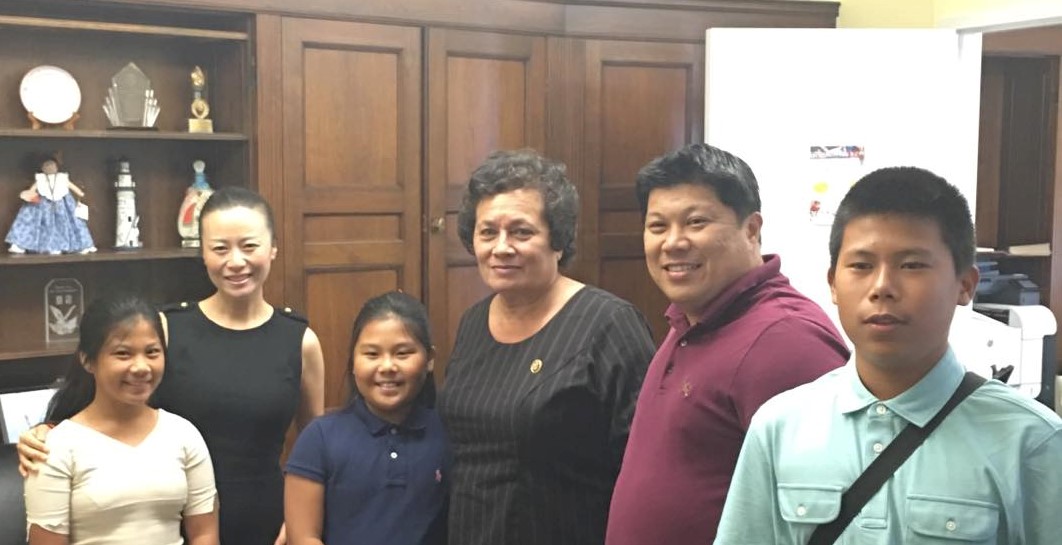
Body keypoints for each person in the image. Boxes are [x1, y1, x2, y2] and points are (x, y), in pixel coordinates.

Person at [714, 167, 1062, 544]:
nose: (882, 287)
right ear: (833, 284)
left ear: (965, 285)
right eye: (861, 266)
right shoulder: (779, 427)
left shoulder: (1032, 441)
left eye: (911, 265)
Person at [19, 186, 325, 545]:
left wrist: (298, 517)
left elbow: (316, 450)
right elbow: (97, 403)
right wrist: (45, 432)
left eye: (249, 246)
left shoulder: (300, 340)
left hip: (269, 524)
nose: (236, 261)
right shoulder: (165, 329)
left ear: (272, 248)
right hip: (167, 519)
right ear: (203, 254)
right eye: (220, 248)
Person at [606, 143, 850, 545]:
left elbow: (830, 516)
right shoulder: (691, 319)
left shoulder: (786, 339)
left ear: (751, 229)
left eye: (695, 222)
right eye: (657, 226)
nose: (673, 242)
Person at [436, 149, 656, 545]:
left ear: (558, 238)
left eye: (521, 232)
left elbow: (645, 466)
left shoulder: (608, 324)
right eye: (488, 232)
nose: (501, 247)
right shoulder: (472, 322)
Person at [23, 295, 218, 545]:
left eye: (152, 352)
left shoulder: (183, 434)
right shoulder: (56, 447)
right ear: (87, 360)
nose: (141, 367)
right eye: (123, 354)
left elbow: (204, 534)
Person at [285, 291, 448, 545]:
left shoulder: (450, 433)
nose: (387, 366)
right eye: (372, 354)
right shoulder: (320, 438)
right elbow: (304, 537)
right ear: (353, 361)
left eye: (402, 353)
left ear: (429, 360)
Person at [6, 154, 96, 255]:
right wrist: (28, 194)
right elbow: (32, 190)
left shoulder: (62, 178)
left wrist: (81, 194)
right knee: (35, 221)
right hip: (44, 206)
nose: (49, 168)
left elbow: (74, 188)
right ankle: (22, 244)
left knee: (67, 223)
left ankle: (78, 245)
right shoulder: (41, 179)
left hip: (61, 206)